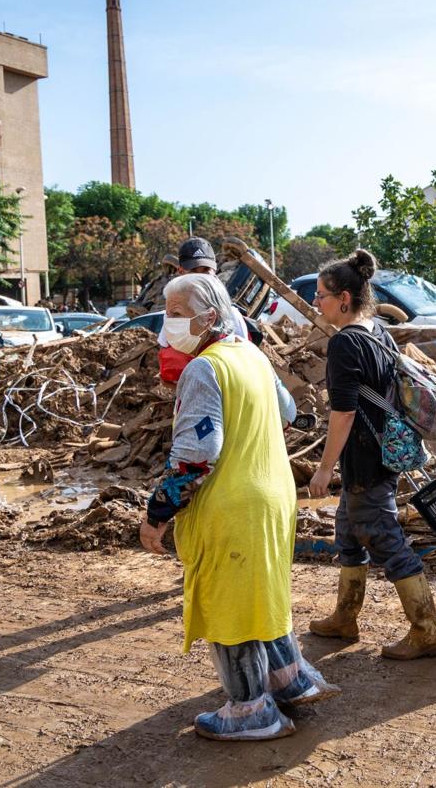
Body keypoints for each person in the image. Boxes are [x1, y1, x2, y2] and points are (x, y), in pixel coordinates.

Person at [139, 274, 338, 741]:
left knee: (229, 606)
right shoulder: (251, 355)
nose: (167, 323)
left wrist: (157, 513)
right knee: (262, 593)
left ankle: (251, 710)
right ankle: (292, 678)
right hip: (273, 497)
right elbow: (289, 411)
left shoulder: (204, 369)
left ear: (208, 317)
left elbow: (195, 456)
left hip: (233, 506)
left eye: (175, 313)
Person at [307, 249, 436, 660]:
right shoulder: (377, 331)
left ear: (345, 298)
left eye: (322, 296)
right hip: (382, 453)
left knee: (383, 538)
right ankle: (345, 617)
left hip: (366, 458)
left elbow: (344, 412)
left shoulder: (346, 344)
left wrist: (323, 469)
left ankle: (426, 629)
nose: (318, 303)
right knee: (349, 532)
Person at [157, 238, 250, 383]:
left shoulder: (232, 315)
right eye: (193, 271)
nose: (200, 277)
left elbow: (244, 363)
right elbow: (167, 363)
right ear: (181, 271)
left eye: (206, 271)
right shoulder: (172, 316)